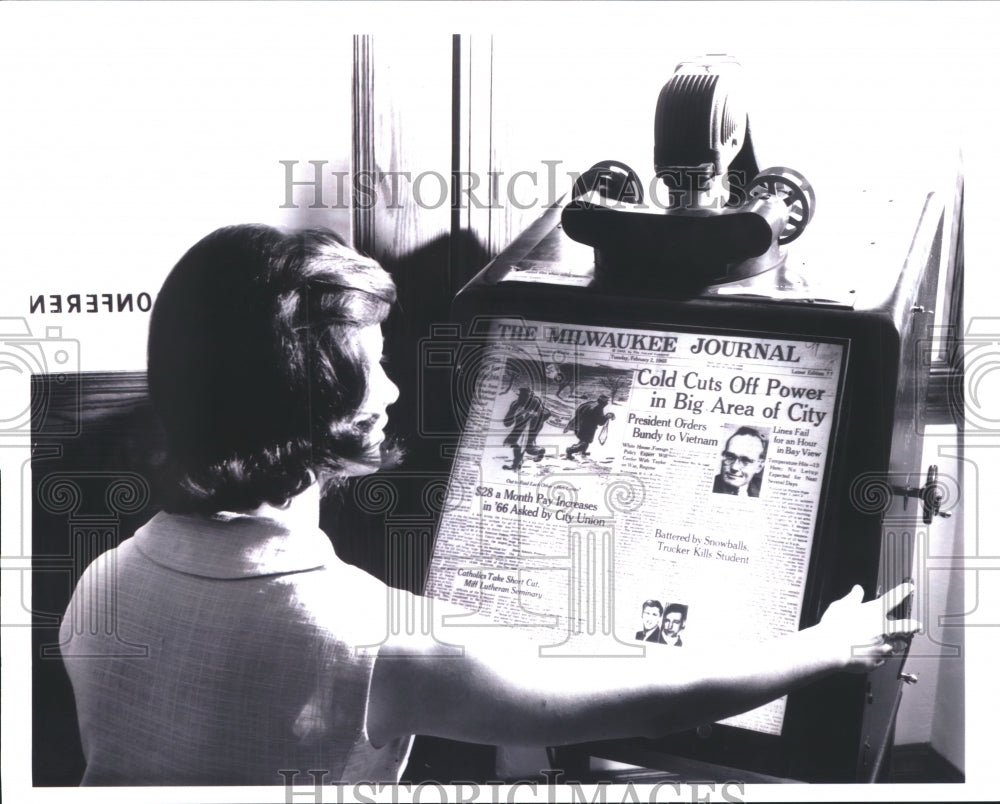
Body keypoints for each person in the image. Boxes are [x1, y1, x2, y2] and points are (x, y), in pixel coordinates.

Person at [59, 224, 919, 786]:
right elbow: (643, 699)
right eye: (375, 370)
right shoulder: (371, 639)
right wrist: (824, 648)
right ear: (316, 418)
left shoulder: (99, 583)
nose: (396, 388)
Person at [502, 386, 550, 470]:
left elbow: (545, 415)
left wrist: (534, 415)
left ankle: (540, 451)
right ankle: (516, 464)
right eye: (521, 396)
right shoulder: (515, 404)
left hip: (533, 426)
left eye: (526, 397)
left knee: (528, 447)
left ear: (530, 397)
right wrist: (514, 414)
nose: (523, 399)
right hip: (519, 426)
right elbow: (507, 423)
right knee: (511, 442)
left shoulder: (535, 402)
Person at [713, 426, 768, 497]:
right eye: (730, 457)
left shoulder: (762, 489)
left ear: (759, 467)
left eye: (745, 460)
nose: (734, 467)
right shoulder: (710, 484)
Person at [564, 394, 615, 460]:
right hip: (588, 428)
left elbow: (579, 410)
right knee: (585, 443)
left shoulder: (591, 403)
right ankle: (570, 451)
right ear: (603, 401)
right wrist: (608, 416)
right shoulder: (598, 408)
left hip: (580, 425)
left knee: (583, 440)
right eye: (606, 401)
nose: (607, 403)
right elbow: (600, 422)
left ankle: (583, 452)